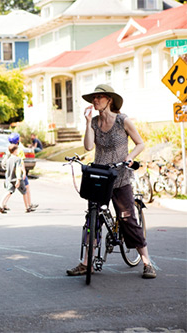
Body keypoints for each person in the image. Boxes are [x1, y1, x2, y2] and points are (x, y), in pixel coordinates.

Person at [67, 83, 156, 279]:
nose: (95, 101)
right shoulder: (94, 122)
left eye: (99, 97)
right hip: (100, 176)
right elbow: (89, 147)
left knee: (128, 219)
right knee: (92, 220)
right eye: (93, 98)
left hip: (120, 176)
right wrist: (88, 121)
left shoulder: (123, 121)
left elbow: (140, 143)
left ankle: (147, 263)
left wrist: (130, 157)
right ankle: (85, 263)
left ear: (110, 100)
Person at [1, 133, 38, 212]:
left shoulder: (8, 149)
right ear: (17, 140)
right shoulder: (18, 150)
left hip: (9, 173)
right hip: (18, 174)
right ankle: (28, 205)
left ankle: (3, 204)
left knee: (10, 190)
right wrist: (24, 172)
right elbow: (21, 162)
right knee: (26, 188)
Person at [0, 144, 30, 213]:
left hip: (10, 178)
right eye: (17, 150)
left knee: (9, 192)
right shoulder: (17, 159)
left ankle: (0, 205)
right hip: (17, 179)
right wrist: (18, 180)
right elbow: (18, 170)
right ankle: (27, 207)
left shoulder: (8, 160)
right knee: (24, 192)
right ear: (15, 151)